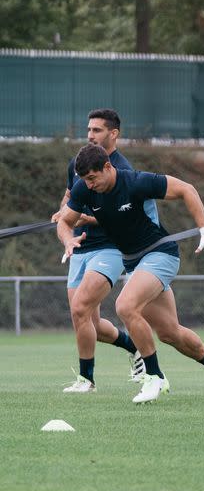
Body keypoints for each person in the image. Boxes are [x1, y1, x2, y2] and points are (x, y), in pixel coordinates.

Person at [56, 143, 204, 404]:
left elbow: (187, 189)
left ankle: (154, 377)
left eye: (93, 178)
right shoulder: (85, 187)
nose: (89, 185)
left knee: (125, 306)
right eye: (84, 180)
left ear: (108, 167)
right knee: (170, 333)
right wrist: (67, 240)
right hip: (134, 263)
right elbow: (64, 220)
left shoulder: (136, 181)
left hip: (160, 254)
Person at [50, 109, 144, 392]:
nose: (90, 135)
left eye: (97, 130)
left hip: (110, 247)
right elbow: (70, 197)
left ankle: (86, 380)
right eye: (89, 130)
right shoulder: (78, 162)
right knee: (87, 320)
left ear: (113, 134)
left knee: (80, 308)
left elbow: (125, 216)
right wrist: (63, 215)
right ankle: (135, 348)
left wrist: (88, 217)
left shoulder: (122, 170)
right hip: (80, 247)